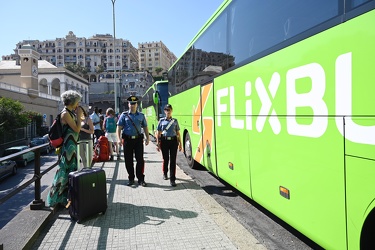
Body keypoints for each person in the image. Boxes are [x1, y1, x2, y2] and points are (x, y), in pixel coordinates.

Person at [47, 90, 83, 207]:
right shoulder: (65, 114)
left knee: (70, 171)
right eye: (77, 101)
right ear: (73, 101)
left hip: (72, 145)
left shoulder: (70, 112)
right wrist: (78, 115)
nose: (78, 103)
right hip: (68, 146)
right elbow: (77, 129)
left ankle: (64, 198)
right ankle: (54, 198)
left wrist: (78, 116)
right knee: (64, 171)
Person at [117, 96, 150, 186]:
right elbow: (119, 127)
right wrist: (118, 138)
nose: (132, 105)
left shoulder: (141, 116)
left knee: (140, 160)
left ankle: (140, 179)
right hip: (127, 140)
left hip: (138, 140)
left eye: (134, 103)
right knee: (128, 160)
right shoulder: (124, 115)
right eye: (131, 104)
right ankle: (131, 178)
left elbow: (145, 127)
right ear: (128, 104)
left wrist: (148, 137)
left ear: (137, 104)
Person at [156, 104, 182, 187]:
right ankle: (165, 173)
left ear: (171, 111)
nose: (168, 111)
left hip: (173, 141)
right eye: (166, 110)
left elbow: (178, 133)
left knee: (173, 160)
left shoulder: (175, 121)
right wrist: (158, 143)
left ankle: (172, 179)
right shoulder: (161, 121)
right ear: (164, 111)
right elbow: (158, 133)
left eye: (169, 110)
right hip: (164, 142)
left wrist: (180, 143)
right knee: (166, 159)